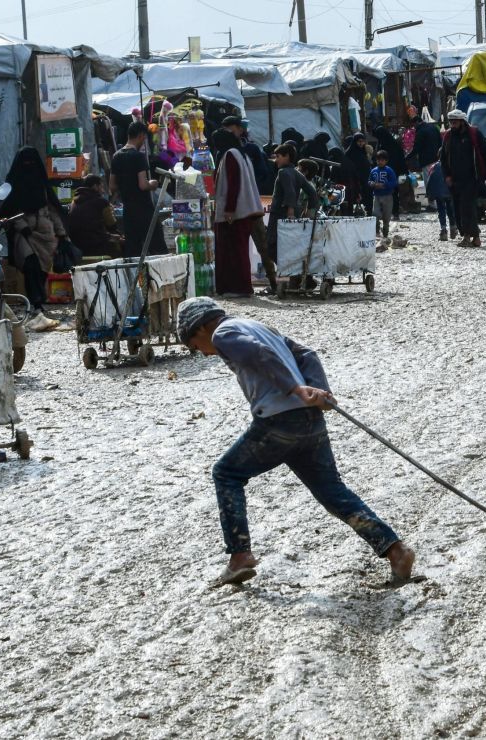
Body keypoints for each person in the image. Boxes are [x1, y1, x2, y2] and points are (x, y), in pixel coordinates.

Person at [175, 297, 416, 587]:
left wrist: (297, 389)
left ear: (200, 328)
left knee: (226, 473)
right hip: (310, 420)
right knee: (332, 492)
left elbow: (259, 354)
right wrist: (319, 392)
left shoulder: (222, 334)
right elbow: (306, 354)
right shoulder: (256, 325)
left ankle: (240, 557)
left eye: (194, 346)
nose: (202, 353)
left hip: (280, 423)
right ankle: (396, 551)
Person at [0, 146, 65, 331]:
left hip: (45, 233)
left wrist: (60, 232)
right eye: (26, 162)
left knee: (42, 269)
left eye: (32, 162)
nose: (29, 166)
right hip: (23, 231)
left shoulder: (42, 185)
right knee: (30, 265)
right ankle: (36, 303)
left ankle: (39, 303)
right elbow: (7, 210)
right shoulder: (12, 185)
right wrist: (21, 226)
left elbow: (52, 208)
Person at [211, 129, 262, 297]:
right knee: (239, 250)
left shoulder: (231, 155)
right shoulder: (242, 154)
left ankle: (236, 287)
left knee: (233, 251)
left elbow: (233, 183)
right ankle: (240, 287)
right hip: (244, 210)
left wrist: (230, 209)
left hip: (235, 213)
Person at [110, 121, 166, 259]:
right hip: (144, 209)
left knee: (133, 250)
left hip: (128, 211)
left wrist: (125, 185)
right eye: (144, 138)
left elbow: (112, 186)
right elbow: (143, 185)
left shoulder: (116, 156)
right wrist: (153, 183)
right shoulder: (138, 157)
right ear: (141, 135)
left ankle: (135, 279)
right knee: (157, 248)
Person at [439, 110, 486, 248]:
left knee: (466, 207)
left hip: (472, 178)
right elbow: (443, 159)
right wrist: (447, 176)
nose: (452, 124)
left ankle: (467, 237)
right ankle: (475, 237)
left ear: (462, 121)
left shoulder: (474, 134)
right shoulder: (448, 137)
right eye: (451, 122)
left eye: (455, 122)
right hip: (455, 180)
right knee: (457, 208)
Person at [268, 143, 318, 282]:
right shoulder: (297, 173)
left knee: (272, 246)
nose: (276, 160)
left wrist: (290, 211)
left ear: (287, 157)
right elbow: (312, 193)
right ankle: (303, 278)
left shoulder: (283, 172)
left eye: (278, 156)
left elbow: (290, 192)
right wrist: (309, 211)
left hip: (280, 216)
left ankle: (295, 276)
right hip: (292, 216)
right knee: (292, 247)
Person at [67, 174, 122, 258]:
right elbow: (112, 226)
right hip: (96, 245)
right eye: (102, 187)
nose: (103, 191)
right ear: (95, 186)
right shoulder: (101, 202)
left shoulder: (74, 202)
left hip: (76, 245)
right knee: (122, 244)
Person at [425, 160, 457, 242]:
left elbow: (429, 180)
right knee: (450, 210)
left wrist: (429, 193)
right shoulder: (452, 164)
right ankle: (453, 227)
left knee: (441, 211)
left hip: (438, 193)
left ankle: (443, 230)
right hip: (449, 192)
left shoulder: (434, 166)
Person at [369, 150, 397, 239]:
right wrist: (373, 184)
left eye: (382, 160)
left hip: (387, 196)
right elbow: (369, 181)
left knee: (386, 215)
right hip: (376, 196)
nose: (380, 162)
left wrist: (384, 185)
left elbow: (394, 182)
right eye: (378, 160)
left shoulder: (389, 170)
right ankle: (376, 231)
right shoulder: (373, 171)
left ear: (386, 161)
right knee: (375, 214)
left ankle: (385, 232)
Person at [343, 133, 373, 216]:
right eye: (359, 141)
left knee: (367, 203)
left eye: (363, 141)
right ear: (355, 142)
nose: (361, 143)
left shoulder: (363, 152)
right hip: (355, 182)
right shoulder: (350, 153)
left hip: (366, 181)